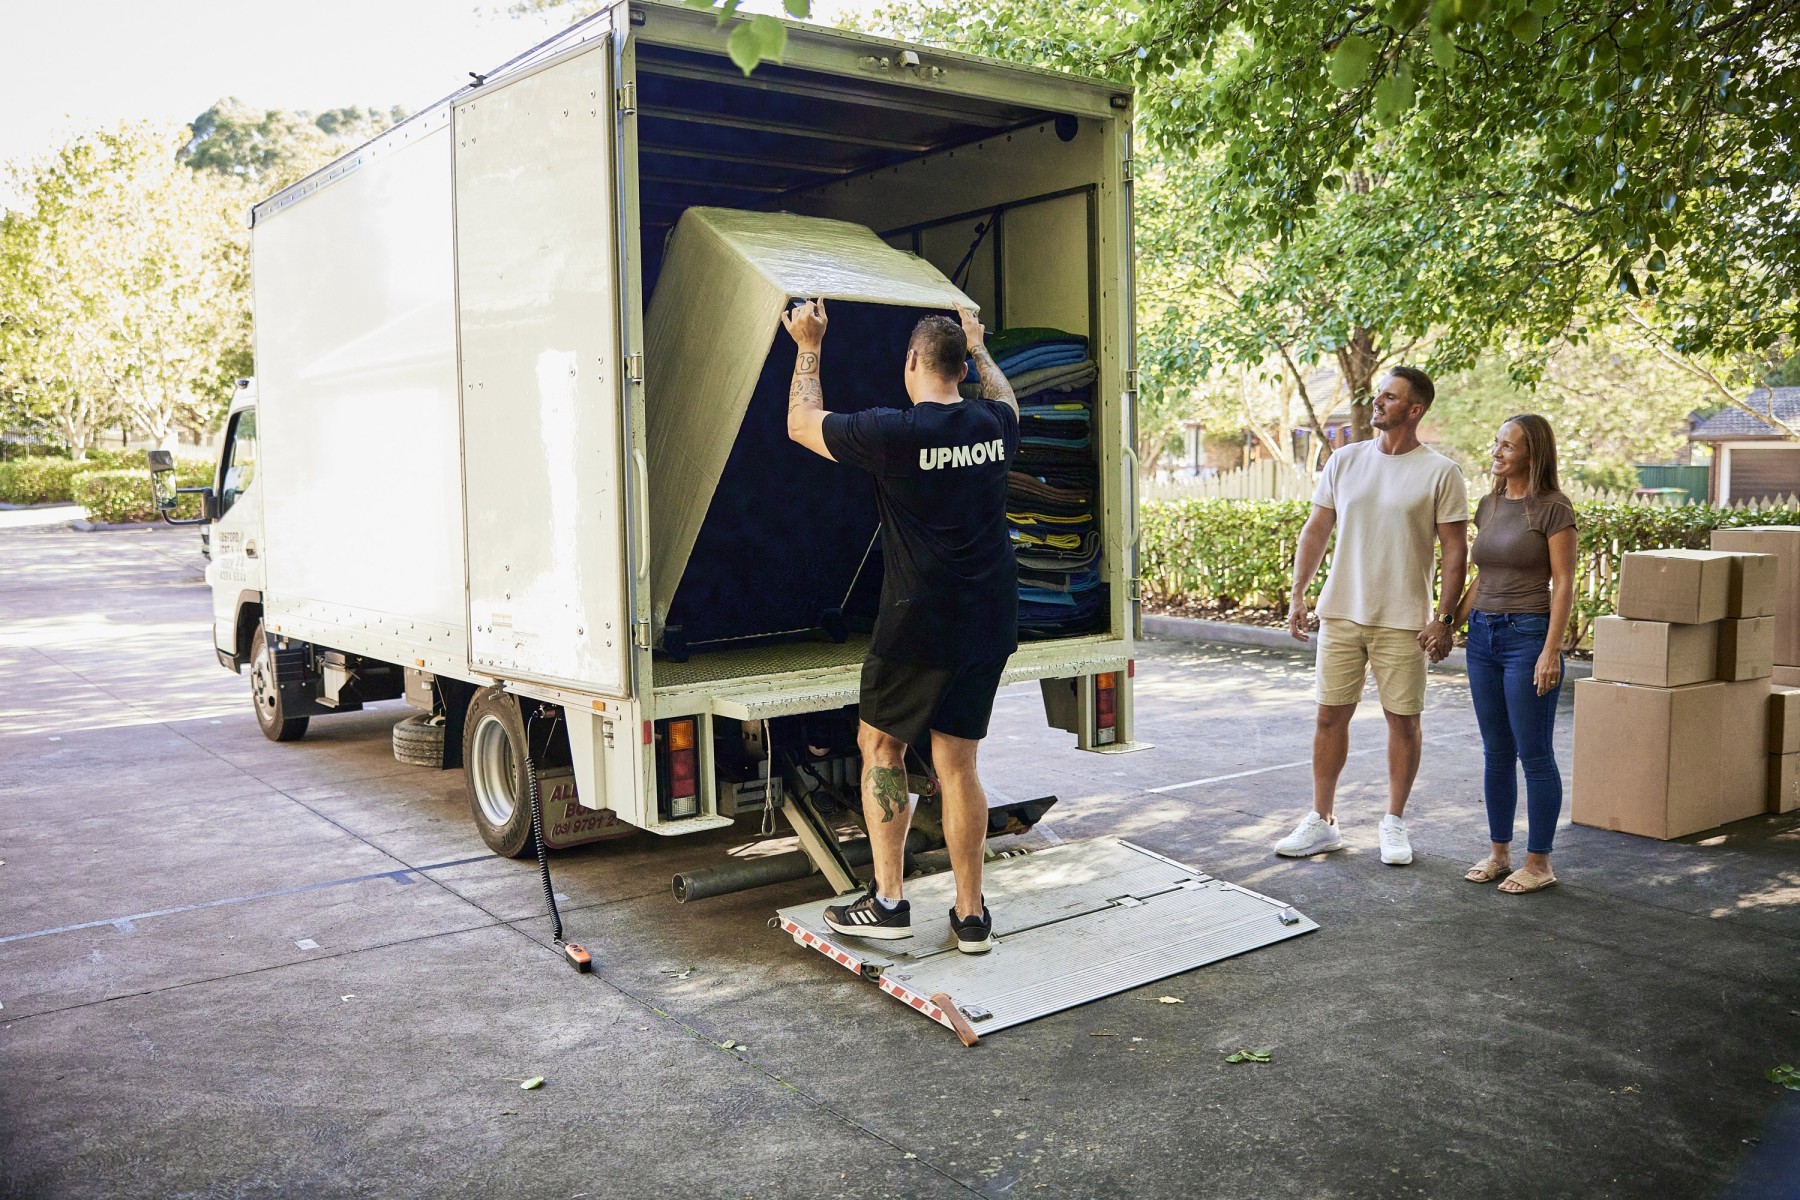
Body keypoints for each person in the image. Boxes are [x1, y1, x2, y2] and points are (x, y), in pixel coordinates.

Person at [780, 298, 1019, 953]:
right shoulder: (995, 424)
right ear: (962, 368)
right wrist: (979, 345)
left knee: (881, 748)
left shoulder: (896, 433)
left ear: (912, 361)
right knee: (958, 762)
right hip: (990, 618)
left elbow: (800, 423)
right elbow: (1008, 397)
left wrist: (809, 343)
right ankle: (971, 916)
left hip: (918, 624)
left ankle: (888, 901)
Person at [1279, 367, 1469, 864]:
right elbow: (1316, 531)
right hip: (1341, 612)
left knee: (1403, 723)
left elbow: (1455, 552)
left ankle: (1394, 822)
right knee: (1328, 717)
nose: (1377, 402)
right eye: (1378, 394)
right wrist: (1299, 594)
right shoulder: (1344, 460)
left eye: (1390, 397)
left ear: (1415, 409)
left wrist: (1445, 618)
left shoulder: (1440, 471)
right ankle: (1322, 821)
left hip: (1405, 620)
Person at [1455, 415, 1576, 894]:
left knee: (1535, 754)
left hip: (1528, 636)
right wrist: (1450, 626)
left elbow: (1564, 582)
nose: (1498, 451)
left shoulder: (1552, 508)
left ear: (1533, 453)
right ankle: (1500, 853)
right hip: (1483, 638)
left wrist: (1551, 649)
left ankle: (1540, 863)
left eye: (1509, 445)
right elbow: (1483, 577)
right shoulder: (1488, 504)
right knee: (1496, 753)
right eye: (1497, 443)